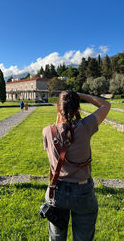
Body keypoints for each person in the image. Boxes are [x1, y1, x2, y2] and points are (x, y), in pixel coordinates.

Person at [42, 91, 111, 241]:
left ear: (57, 108)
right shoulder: (86, 126)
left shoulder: (47, 131)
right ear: (77, 109)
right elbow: (106, 104)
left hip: (56, 191)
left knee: (56, 238)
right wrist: (81, 95)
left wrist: (61, 114)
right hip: (83, 192)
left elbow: (58, 129)